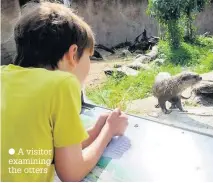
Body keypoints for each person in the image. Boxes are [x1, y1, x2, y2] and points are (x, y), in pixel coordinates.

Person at [1, 2, 128, 182]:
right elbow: (71, 173)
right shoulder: (62, 84)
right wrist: (109, 131)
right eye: (88, 57)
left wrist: (96, 130)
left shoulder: (4, 76)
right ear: (72, 54)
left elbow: (50, 150)